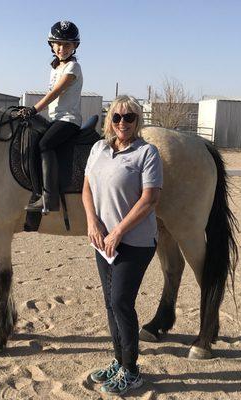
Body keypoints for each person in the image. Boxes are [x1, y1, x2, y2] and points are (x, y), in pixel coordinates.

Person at [82, 95, 163, 395]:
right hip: (102, 241)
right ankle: (118, 361)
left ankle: (132, 370)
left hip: (135, 242)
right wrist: (92, 222)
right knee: (109, 303)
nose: (122, 123)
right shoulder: (98, 149)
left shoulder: (147, 153)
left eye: (129, 117)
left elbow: (150, 199)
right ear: (109, 120)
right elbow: (87, 187)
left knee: (120, 302)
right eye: (117, 117)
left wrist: (117, 232)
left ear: (137, 120)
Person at [20, 20, 83, 213]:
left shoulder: (73, 68)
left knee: (45, 144)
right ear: (51, 45)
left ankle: (49, 198)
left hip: (69, 120)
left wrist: (33, 109)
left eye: (67, 44)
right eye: (58, 44)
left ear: (74, 47)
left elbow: (56, 92)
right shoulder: (55, 68)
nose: (62, 48)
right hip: (56, 119)